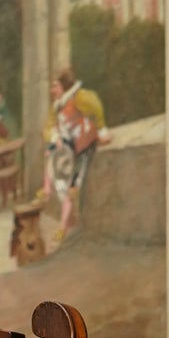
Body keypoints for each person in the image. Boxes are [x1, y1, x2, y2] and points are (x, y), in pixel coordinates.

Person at [42, 69, 106, 237]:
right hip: (69, 147)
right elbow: (48, 128)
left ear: (64, 86)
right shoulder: (56, 107)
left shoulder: (80, 97)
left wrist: (100, 129)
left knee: (72, 188)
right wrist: (55, 137)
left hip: (84, 146)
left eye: (55, 86)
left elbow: (96, 108)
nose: (52, 90)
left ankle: (63, 227)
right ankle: (47, 190)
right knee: (51, 155)